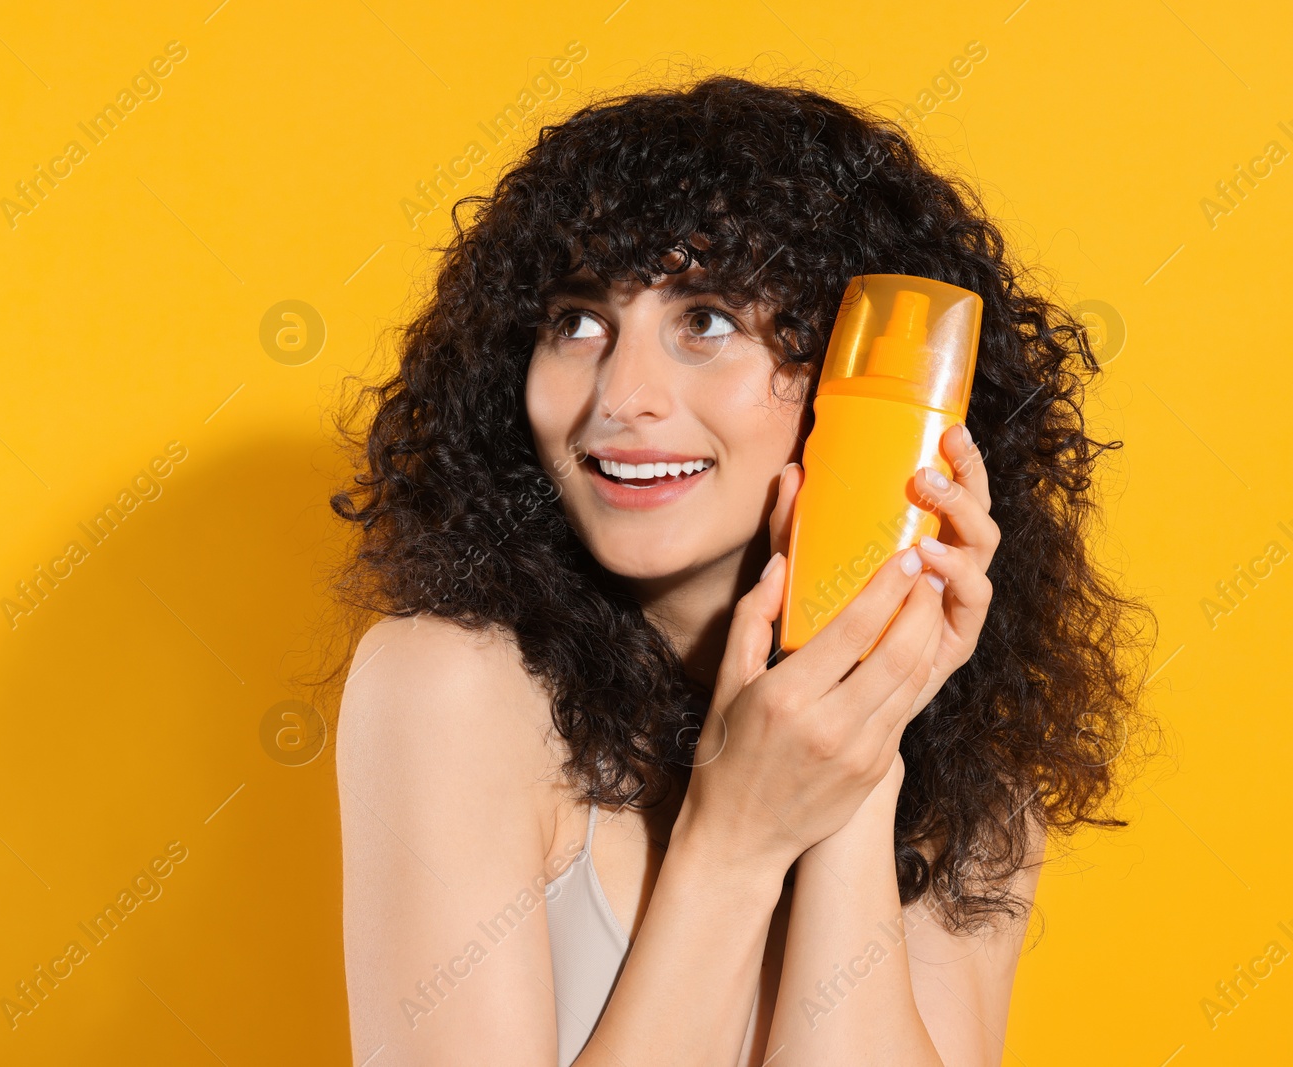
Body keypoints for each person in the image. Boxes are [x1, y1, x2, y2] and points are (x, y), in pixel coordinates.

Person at [328, 74, 1152, 1066]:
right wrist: (739, 840)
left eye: (707, 318)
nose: (622, 395)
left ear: (855, 372)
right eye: (578, 320)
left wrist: (858, 728)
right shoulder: (449, 688)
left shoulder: (972, 774)